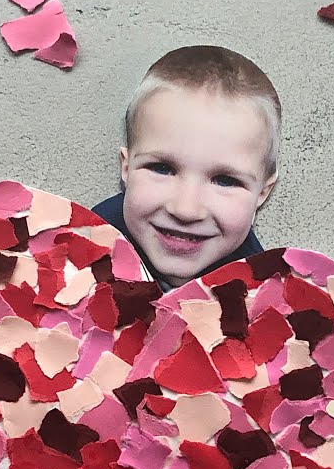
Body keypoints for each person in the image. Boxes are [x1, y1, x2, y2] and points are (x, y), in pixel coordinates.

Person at [92, 45, 281, 292]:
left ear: (262, 193)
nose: (186, 210)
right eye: (161, 168)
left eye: (224, 180)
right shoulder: (92, 235)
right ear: (126, 168)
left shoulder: (254, 288)